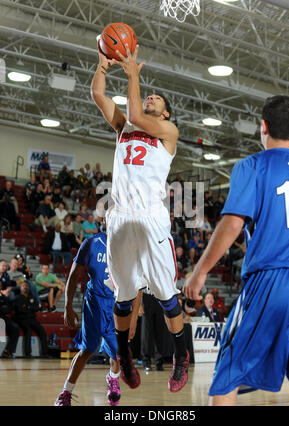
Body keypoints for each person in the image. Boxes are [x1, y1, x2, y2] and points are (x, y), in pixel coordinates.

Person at [184, 95, 289, 406]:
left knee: (228, 372)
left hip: (269, 283)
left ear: (263, 127)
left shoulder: (253, 165)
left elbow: (233, 224)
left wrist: (200, 271)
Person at [91, 43, 189, 392]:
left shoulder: (168, 133)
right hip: (119, 218)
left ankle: (180, 356)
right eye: (148, 95)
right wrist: (103, 67)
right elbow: (99, 95)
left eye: (156, 99)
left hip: (151, 219)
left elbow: (134, 113)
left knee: (165, 295)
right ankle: (124, 355)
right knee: (124, 296)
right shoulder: (124, 128)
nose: (149, 98)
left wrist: (132, 75)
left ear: (165, 114)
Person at [55, 232, 121, 406]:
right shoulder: (91, 243)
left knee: (118, 353)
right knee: (87, 350)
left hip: (116, 305)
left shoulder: (128, 244)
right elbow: (74, 274)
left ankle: (113, 380)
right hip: (94, 302)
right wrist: (68, 306)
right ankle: (65, 392)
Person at [13, 281, 49, 358]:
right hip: (21, 319)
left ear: (28, 288)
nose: (25, 287)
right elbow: (19, 309)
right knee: (28, 331)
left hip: (32, 318)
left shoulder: (32, 297)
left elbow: (36, 307)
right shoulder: (17, 298)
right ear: (20, 288)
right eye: (23, 286)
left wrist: (26, 307)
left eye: (26, 286)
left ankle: (45, 353)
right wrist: (29, 308)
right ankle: (28, 353)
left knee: (42, 331)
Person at [0, 284, 20, 359]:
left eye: (0, 285)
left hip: (2, 317)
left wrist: (3, 308)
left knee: (15, 328)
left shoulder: (3, 296)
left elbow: (8, 309)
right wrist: (3, 307)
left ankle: (8, 351)